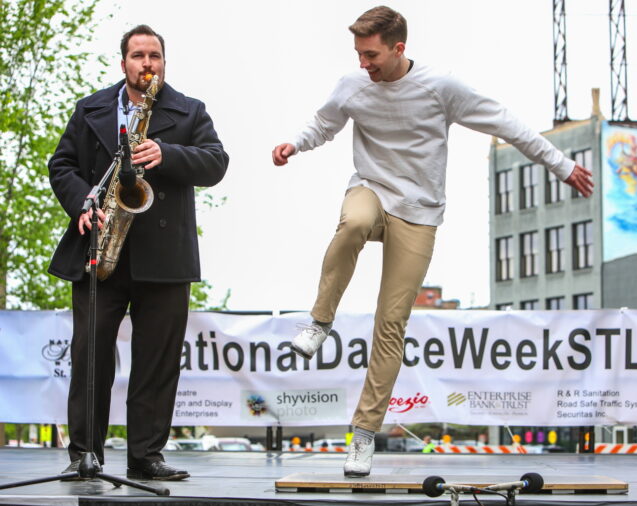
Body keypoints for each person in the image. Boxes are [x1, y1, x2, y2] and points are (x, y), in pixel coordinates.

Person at [272, 6, 593, 477]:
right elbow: (325, 123)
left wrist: (561, 166)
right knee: (353, 223)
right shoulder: (352, 84)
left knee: (391, 324)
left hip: (419, 212)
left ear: (399, 48)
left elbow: (507, 123)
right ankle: (320, 321)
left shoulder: (442, 87)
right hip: (371, 189)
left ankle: (363, 436)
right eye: (359, 55)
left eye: (372, 55)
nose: (365, 64)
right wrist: (295, 144)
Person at [48, 24, 228, 481]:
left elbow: (216, 162)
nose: (147, 64)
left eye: (155, 56)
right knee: (91, 356)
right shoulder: (90, 108)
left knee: (156, 360)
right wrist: (82, 205)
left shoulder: (189, 112)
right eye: (138, 56)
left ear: (163, 62)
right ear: (123, 62)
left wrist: (166, 153)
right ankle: (84, 454)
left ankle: (146, 456)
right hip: (101, 248)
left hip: (164, 255)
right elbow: (62, 164)